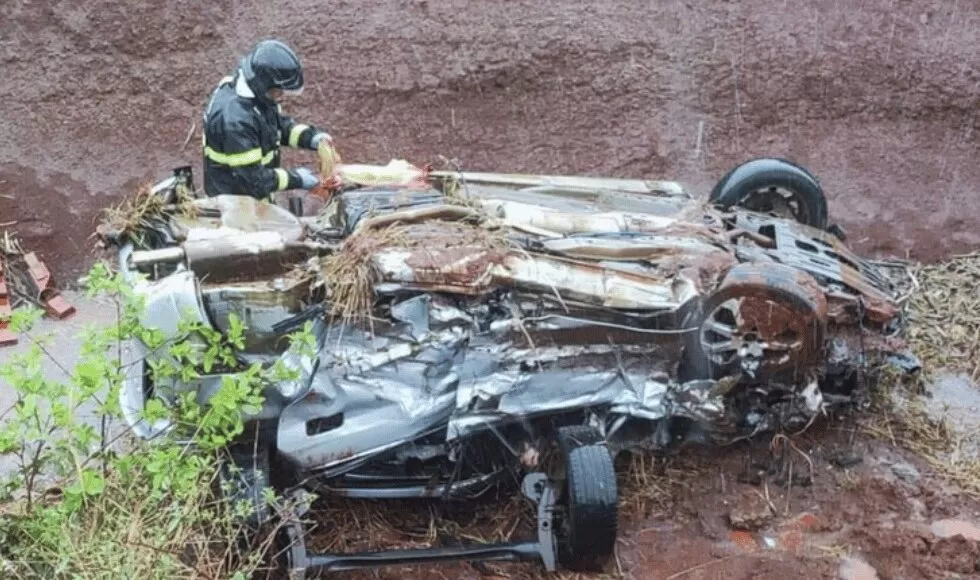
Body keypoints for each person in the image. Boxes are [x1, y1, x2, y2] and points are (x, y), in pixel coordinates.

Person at [201, 39, 338, 203]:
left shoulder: (254, 96)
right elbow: (254, 180)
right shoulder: (235, 121)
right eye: (277, 91)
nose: (280, 96)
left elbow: (275, 128)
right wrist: (298, 179)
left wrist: (313, 138)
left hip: (254, 199)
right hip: (236, 206)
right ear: (262, 84)